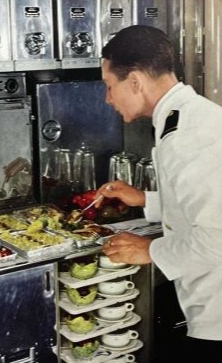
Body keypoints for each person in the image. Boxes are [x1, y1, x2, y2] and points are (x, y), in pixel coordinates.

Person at [94, 25, 222, 357]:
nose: (108, 99)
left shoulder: (188, 136)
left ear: (135, 81)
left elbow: (217, 235)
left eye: (110, 87)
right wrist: (145, 200)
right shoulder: (192, 117)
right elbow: (204, 206)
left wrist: (149, 251)